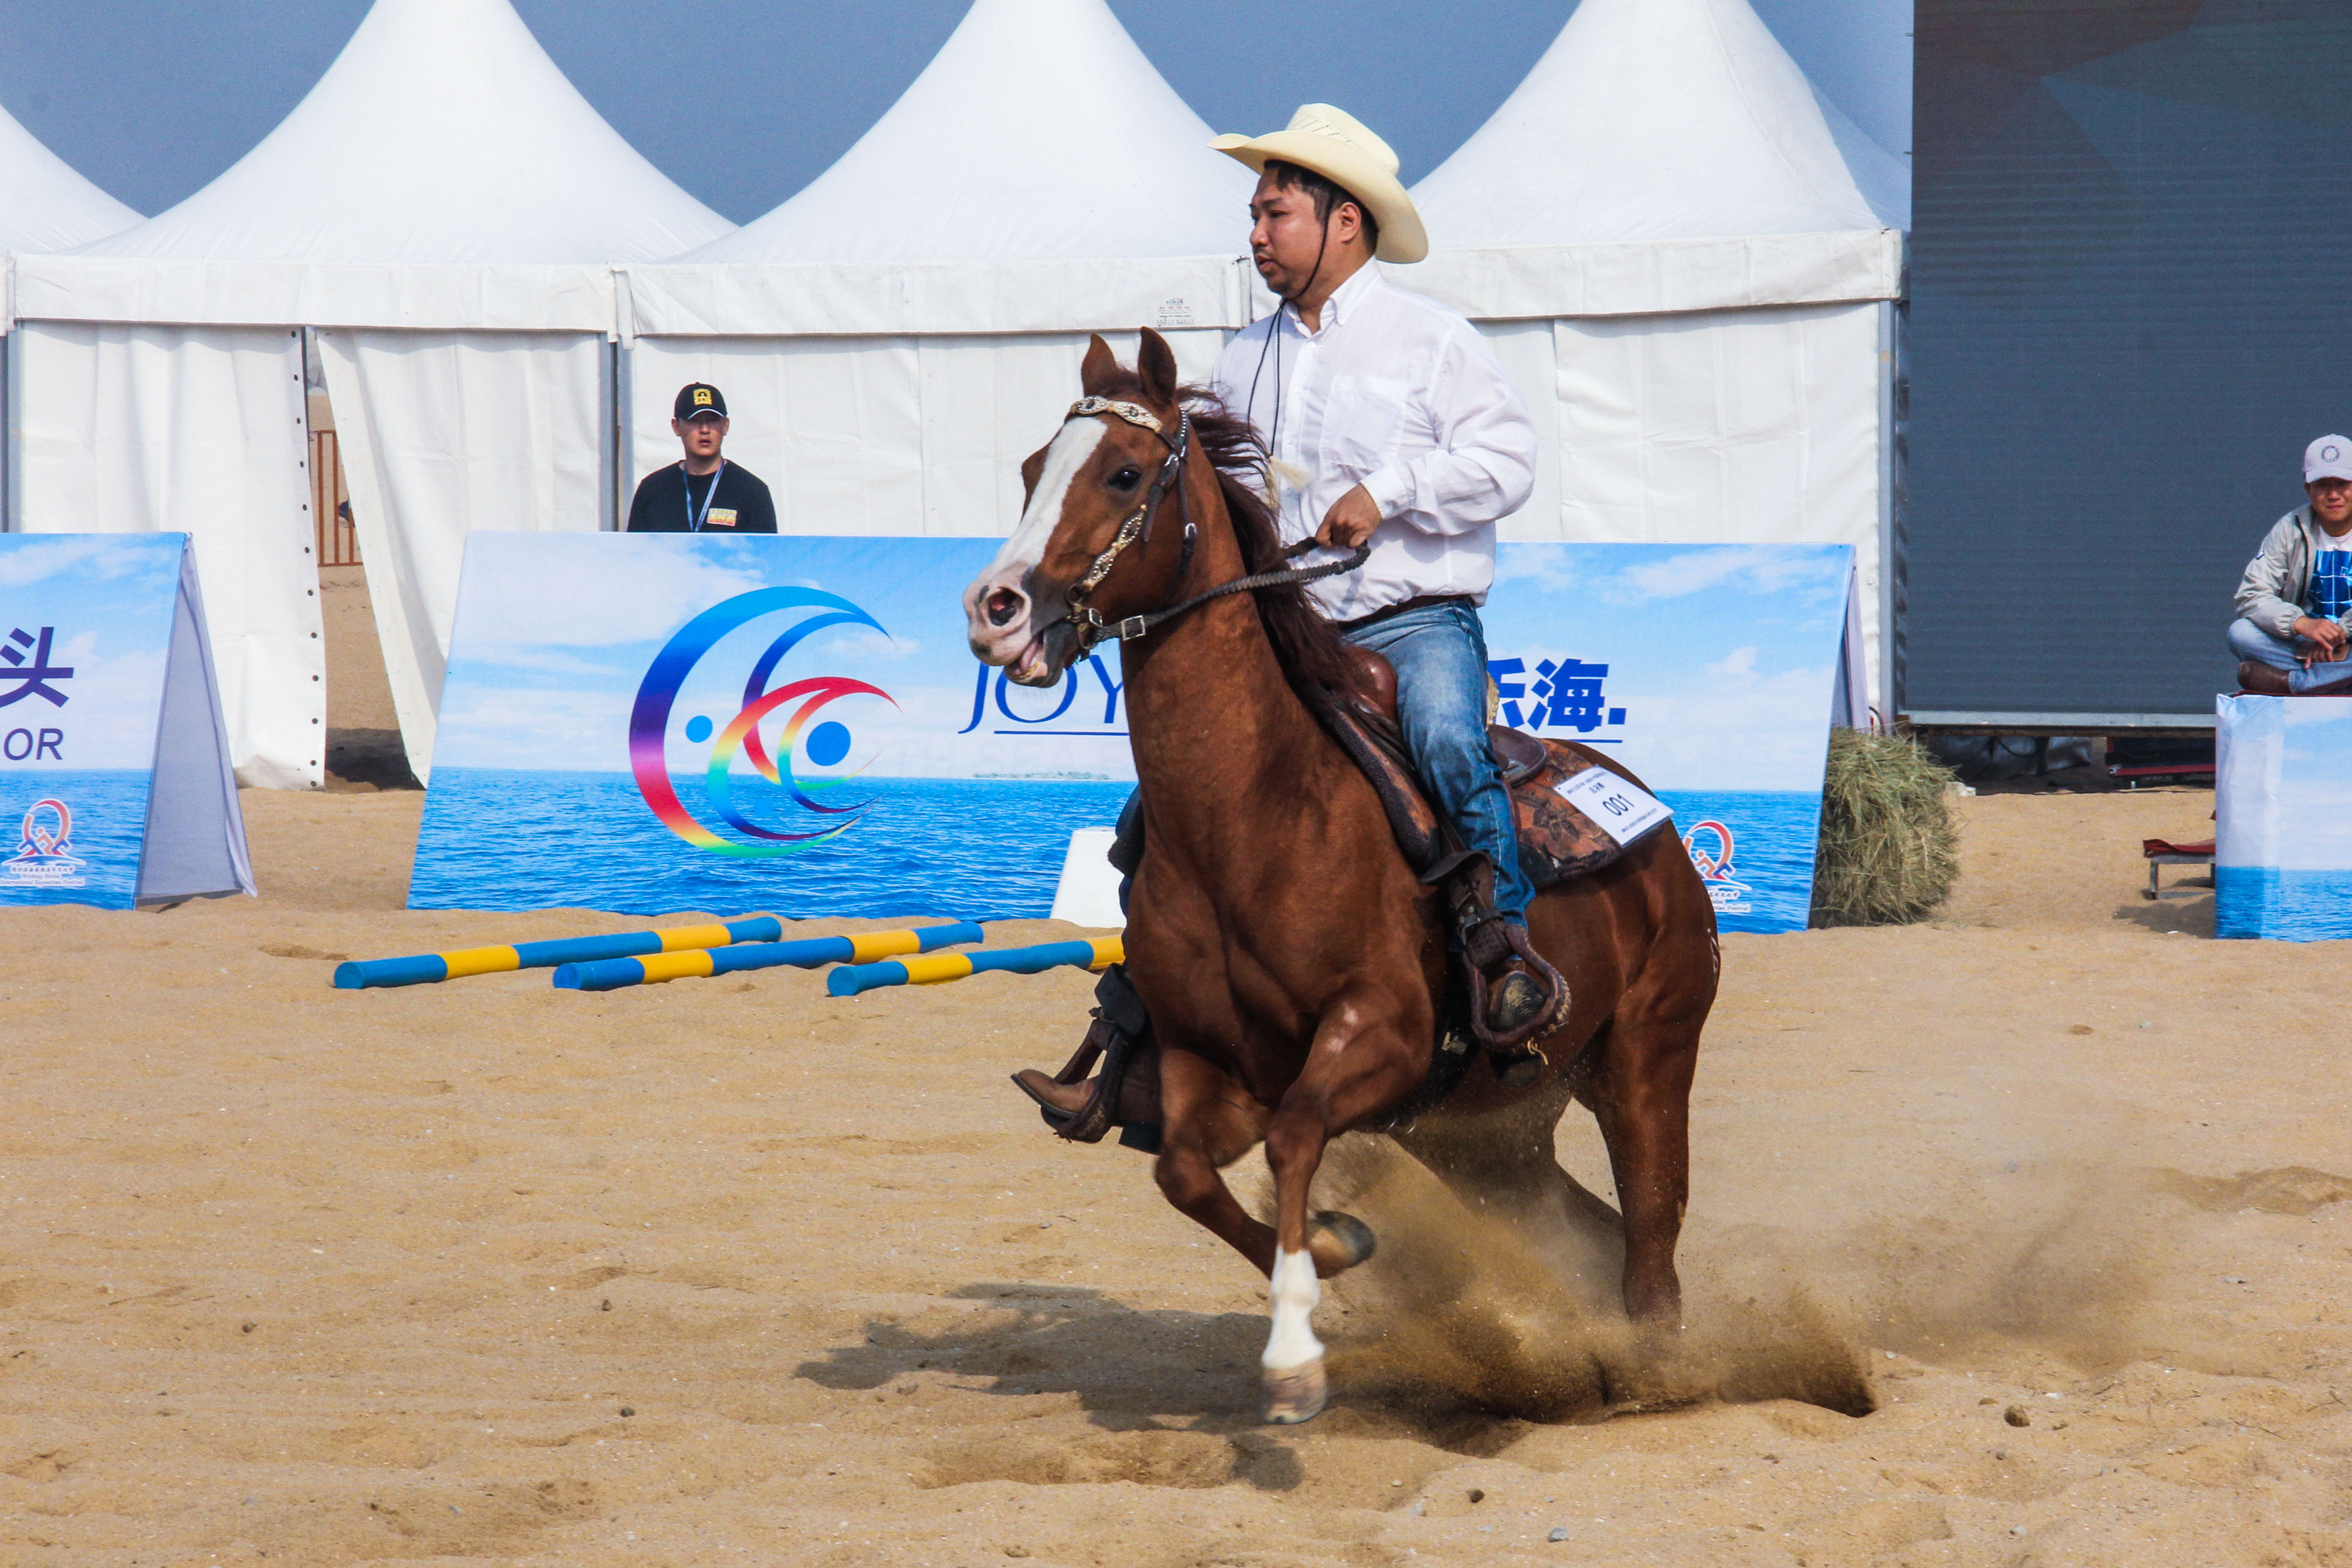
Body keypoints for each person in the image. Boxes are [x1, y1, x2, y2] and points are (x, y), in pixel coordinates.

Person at [1015, 105, 1551, 1139]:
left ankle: (1504, 955)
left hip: (1408, 618)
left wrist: (1387, 490)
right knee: (1160, 814)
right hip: (1284, 630)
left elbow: (1508, 464)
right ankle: (1129, 1032)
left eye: (1274, 213)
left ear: (1343, 221)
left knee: (1445, 737)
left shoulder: (1432, 341)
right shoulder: (1234, 360)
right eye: (1254, 216)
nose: (1255, 234)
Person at [2231, 435, 2352, 695]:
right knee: (2241, 634)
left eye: (2342, 484)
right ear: (2308, 489)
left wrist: (2339, 633)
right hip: (2303, 646)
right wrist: (2302, 624)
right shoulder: (2290, 529)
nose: (2333, 495)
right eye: (2323, 485)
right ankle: (2335, 681)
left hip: (2349, 643)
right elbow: (2251, 595)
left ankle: (2295, 684)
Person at [625, 383, 777, 534]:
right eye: (694, 421)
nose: (705, 430)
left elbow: (767, 555)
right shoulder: (652, 489)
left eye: (713, 420)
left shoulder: (752, 492)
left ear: (726, 426)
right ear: (676, 426)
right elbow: (635, 554)